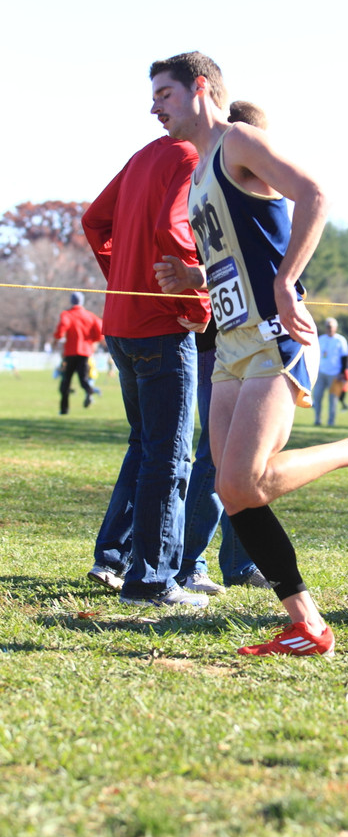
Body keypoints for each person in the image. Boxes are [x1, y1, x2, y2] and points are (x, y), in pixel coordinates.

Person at [150, 50, 348, 657]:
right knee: (235, 490)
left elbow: (315, 194)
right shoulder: (198, 173)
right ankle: (306, 623)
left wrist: (287, 281)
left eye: (164, 95)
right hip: (230, 344)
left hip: (276, 333)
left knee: (246, 479)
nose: (154, 108)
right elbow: (239, 257)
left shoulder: (239, 142)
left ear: (200, 89)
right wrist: (193, 277)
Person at [82, 134, 212, 608]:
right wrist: (195, 302)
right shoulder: (189, 153)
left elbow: (94, 221)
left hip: (121, 324)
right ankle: (152, 581)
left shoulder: (143, 155)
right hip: (160, 327)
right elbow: (172, 227)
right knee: (170, 455)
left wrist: (123, 278)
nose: (155, 108)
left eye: (162, 95)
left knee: (145, 447)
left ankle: (112, 559)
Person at [177, 100, 272, 595]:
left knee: (246, 461)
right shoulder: (211, 175)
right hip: (222, 346)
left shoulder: (245, 190)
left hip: (254, 340)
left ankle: (237, 563)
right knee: (217, 462)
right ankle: (188, 563)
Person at [53, 292, 103, 414]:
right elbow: (100, 331)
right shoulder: (90, 316)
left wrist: (58, 337)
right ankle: (90, 391)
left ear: (71, 301)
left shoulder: (67, 315)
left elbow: (61, 331)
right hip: (85, 352)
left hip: (70, 352)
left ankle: (64, 409)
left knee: (65, 382)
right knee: (84, 380)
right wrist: (91, 341)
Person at [312, 317, 348, 426]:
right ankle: (317, 419)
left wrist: (342, 373)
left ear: (335, 328)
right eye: (327, 327)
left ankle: (331, 421)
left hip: (335, 374)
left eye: (331, 327)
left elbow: (345, 357)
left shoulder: (340, 340)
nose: (329, 329)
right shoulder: (321, 339)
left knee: (333, 399)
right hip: (321, 372)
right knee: (317, 396)